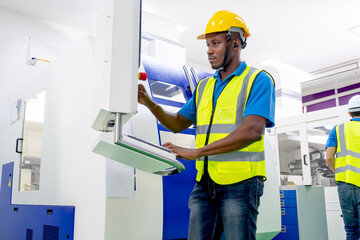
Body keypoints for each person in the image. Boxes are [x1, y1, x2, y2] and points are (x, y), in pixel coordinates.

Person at [138, 10, 275, 240]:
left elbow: (253, 131)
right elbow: (178, 123)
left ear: (235, 43)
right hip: (205, 183)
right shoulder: (204, 87)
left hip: (241, 184)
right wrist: (149, 103)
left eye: (216, 43)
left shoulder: (258, 80)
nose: (209, 50)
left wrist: (197, 152)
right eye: (208, 44)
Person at [326, 94, 360, 240]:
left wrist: (339, 172)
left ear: (349, 113)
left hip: (344, 185)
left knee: (351, 230)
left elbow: (328, 158)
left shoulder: (338, 129)